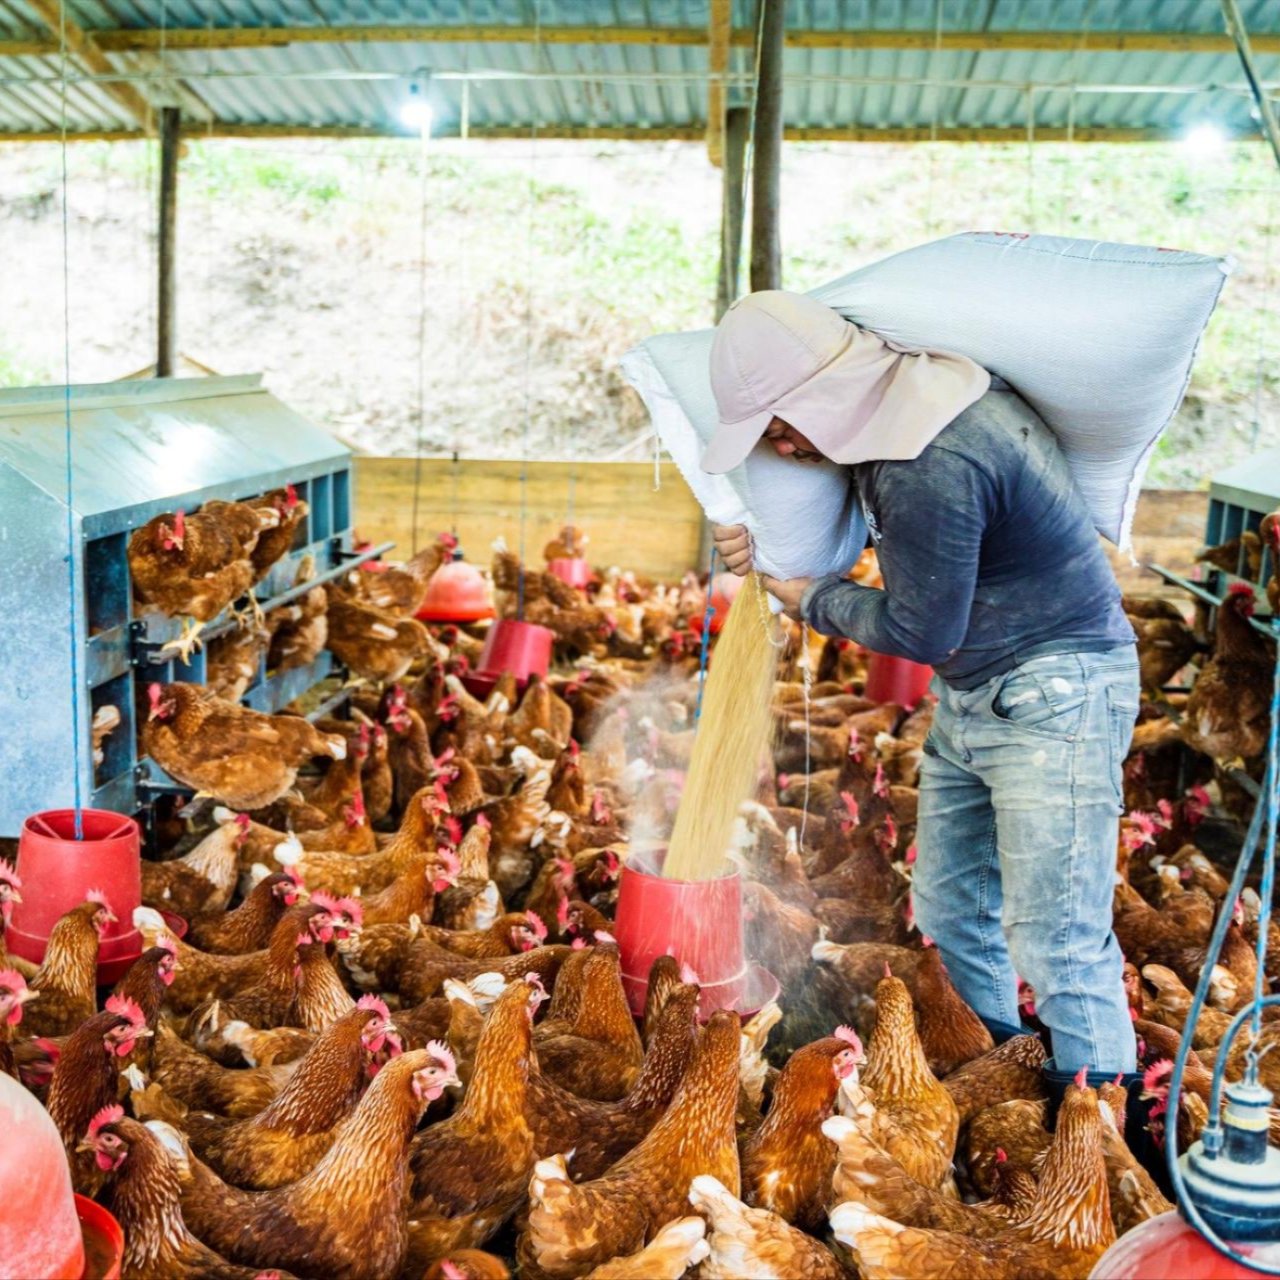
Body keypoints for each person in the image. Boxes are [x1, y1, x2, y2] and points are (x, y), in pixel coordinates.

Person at [705, 290, 1139, 1075]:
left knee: (1060, 940)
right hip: (983, 689)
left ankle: (1106, 1135)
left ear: (822, 400)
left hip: (1055, 693)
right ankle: (1001, 1077)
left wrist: (812, 599)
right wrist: (761, 532)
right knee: (953, 908)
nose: (782, 450)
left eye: (780, 428)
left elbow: (919, 631)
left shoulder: (926, 459)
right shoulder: (913, 404)